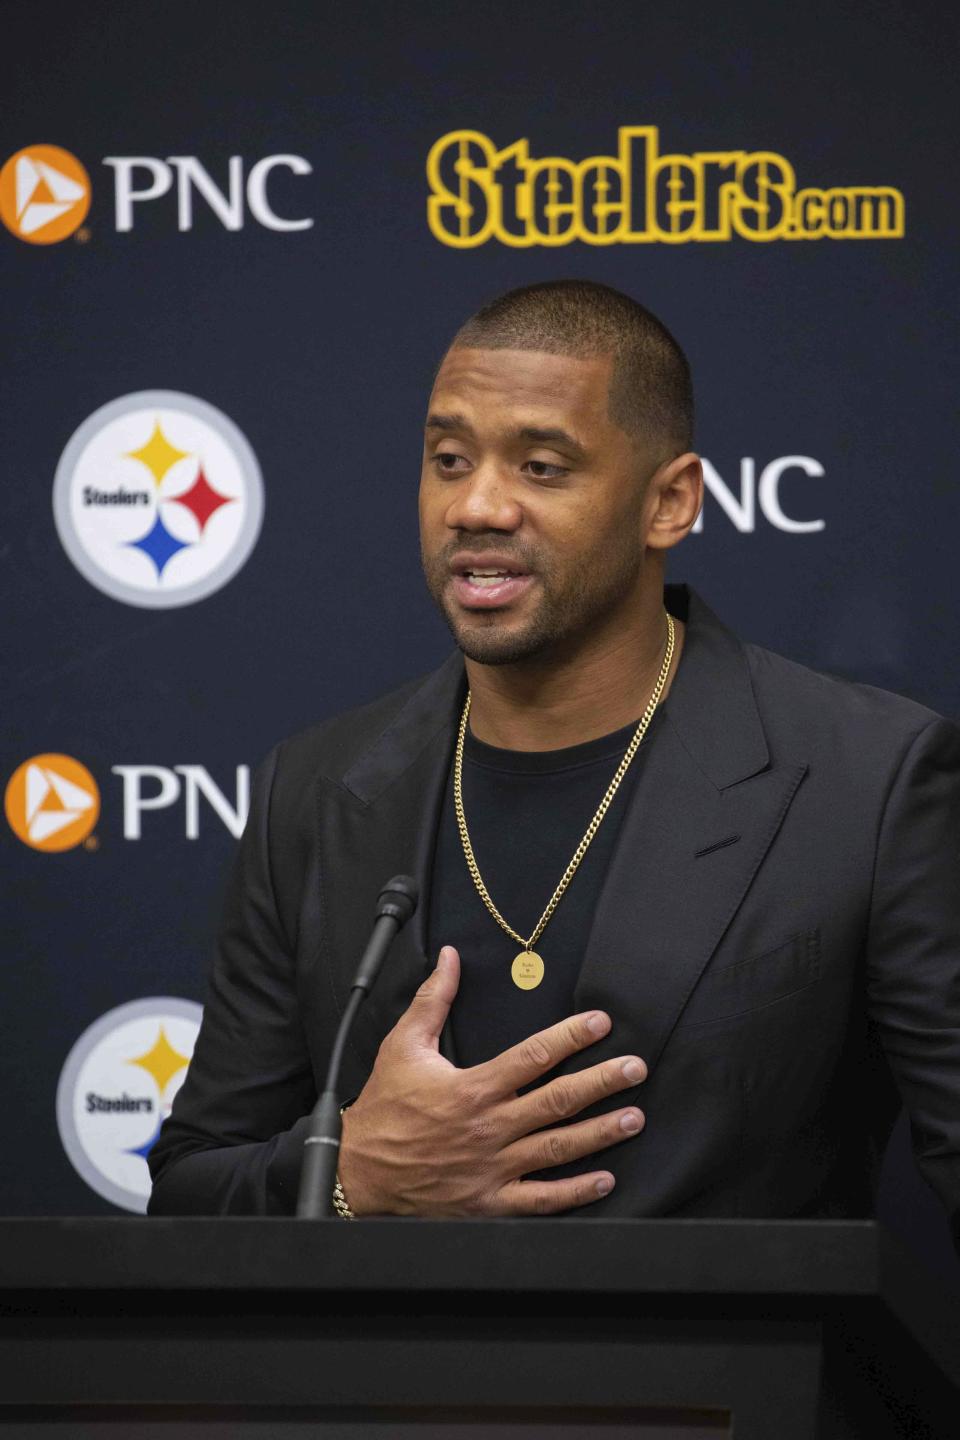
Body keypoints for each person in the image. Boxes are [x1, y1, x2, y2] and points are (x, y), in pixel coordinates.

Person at [148, 280, 960, 1238]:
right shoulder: (315, 790)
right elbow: (193, 1189)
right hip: (386, 1386)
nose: (478, 506)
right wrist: (349, 1175)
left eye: (541, 466)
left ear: (670, 502)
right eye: (448, 460)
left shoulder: (867, 780)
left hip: (731, 1382)